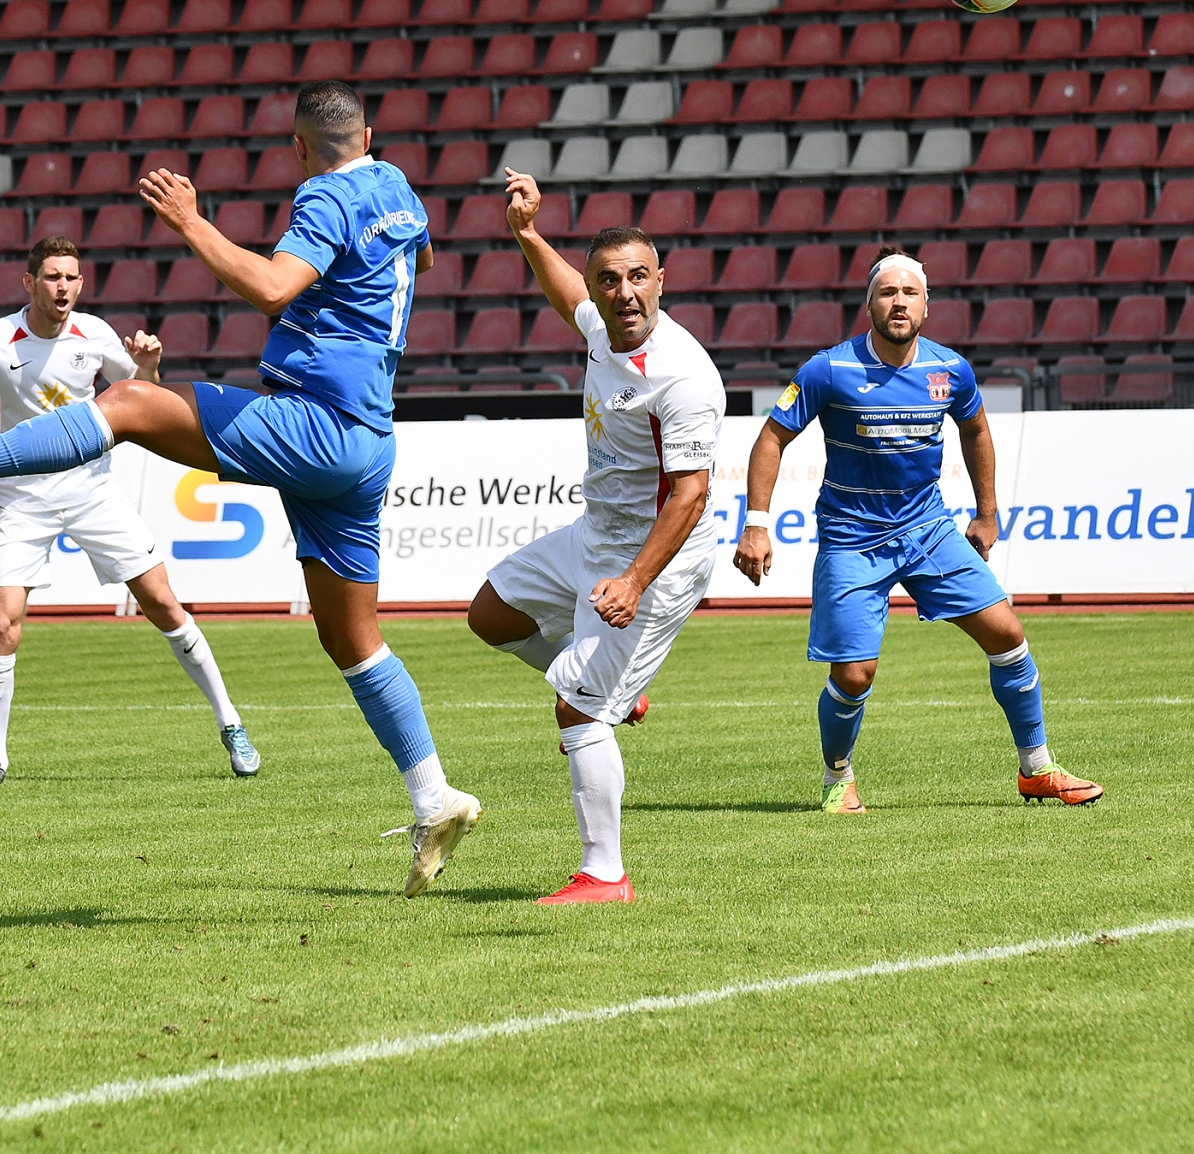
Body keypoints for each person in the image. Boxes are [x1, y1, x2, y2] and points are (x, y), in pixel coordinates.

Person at [0, 81, 481, 896]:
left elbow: (274, 286)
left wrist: (193, 222)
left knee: (127, 404)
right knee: (354, 639)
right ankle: (434, 796)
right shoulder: (398, 188)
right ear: (368, 136)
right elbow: (421, 259)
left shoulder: (324, 195)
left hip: (316, 419)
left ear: (299, 148)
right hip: (371, 437)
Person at [730, 246, 1104, 813]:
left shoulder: (950, 370)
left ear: (927, 306)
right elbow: (771, 439)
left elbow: (976, 430)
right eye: (888, 292)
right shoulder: (828, 369)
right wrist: (756, 523)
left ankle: (1037, 769)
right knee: (855, 675)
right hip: (852, 536)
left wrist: (987, 513)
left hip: (928, 528)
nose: (899, 302)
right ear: (870, 305)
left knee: (1008, 635)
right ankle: (838, 777)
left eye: (910, 292)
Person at [466, 170, 723, 905]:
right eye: (609, 280)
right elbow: (565, 297)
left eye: (639, 277)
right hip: (595, 536)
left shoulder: (683, 376)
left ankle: (604, 873)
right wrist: (526, 234)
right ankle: (616, 692)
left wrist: (635, 581)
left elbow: (690, 494)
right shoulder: (602, 329)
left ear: (662, 281)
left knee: (576, 711)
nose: (625, 293)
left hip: (659, 561)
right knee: (491, 613)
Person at [0, 236, 259, 788]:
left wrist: (149, 366)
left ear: (81, 284)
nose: (62, 287)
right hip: (24, 501)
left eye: (71, 277)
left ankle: (231, 723)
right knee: (2, 623)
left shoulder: (95, 334)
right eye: (52, 277)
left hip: (93, 490)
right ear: (29, 283)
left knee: (163, 603)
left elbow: (143, 400)